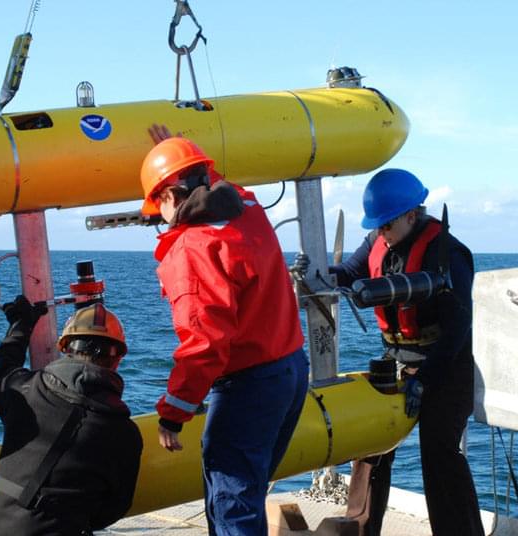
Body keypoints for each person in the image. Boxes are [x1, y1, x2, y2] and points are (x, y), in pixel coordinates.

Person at [139, 129, 309, 535]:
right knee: (246, 490)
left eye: (157, 203)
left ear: (169, 197)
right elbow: (216, 185)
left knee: (232, 502)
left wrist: (174, 414)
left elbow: (205, 344)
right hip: (290, 370)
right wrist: (177, 150)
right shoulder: (246, 205)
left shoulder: (192, 252)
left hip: (248, 388)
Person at [327, 168, 484, 536]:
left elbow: (459, 328)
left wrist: (425, 380)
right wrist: (319, 275)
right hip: (399, 363)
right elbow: (350, 272)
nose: (381, 232)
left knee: (441, 454)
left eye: (385, 225)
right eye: (377, 226)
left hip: (445, 368)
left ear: (411, 215)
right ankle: (360, 530)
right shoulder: (376, 241)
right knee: (369, 447)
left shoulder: (448, 254)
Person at [0, 296, 143, 536]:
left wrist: (21, 324)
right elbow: (113, 509)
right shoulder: (125, 434)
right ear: (117, 359)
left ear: (65, 347)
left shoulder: (25, 391)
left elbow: (0, 365)